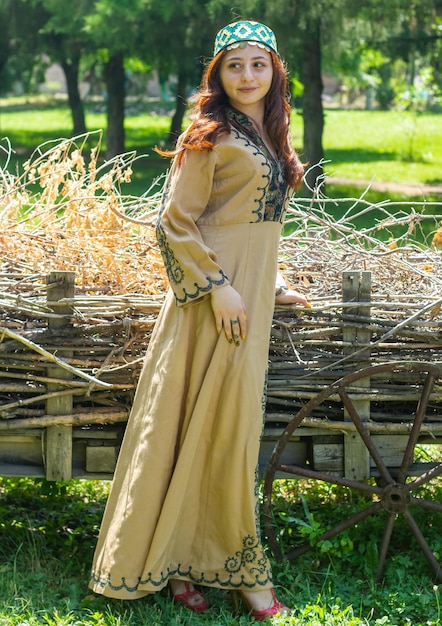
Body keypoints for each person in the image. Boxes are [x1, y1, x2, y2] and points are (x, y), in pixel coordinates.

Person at [89, 19, 308, 620]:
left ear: (274, 71)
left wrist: (276, 282)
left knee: (222, 431)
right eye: (234, 65)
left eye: (257, 64)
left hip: (250, 295)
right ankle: (242, 577)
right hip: (213, 303)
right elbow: (174, 220)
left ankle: (189, 561)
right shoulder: (208, 134)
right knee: (206, 427)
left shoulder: (268, 131)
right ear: (218, 74)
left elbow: (253, 224)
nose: (247, 75)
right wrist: (218, 289)